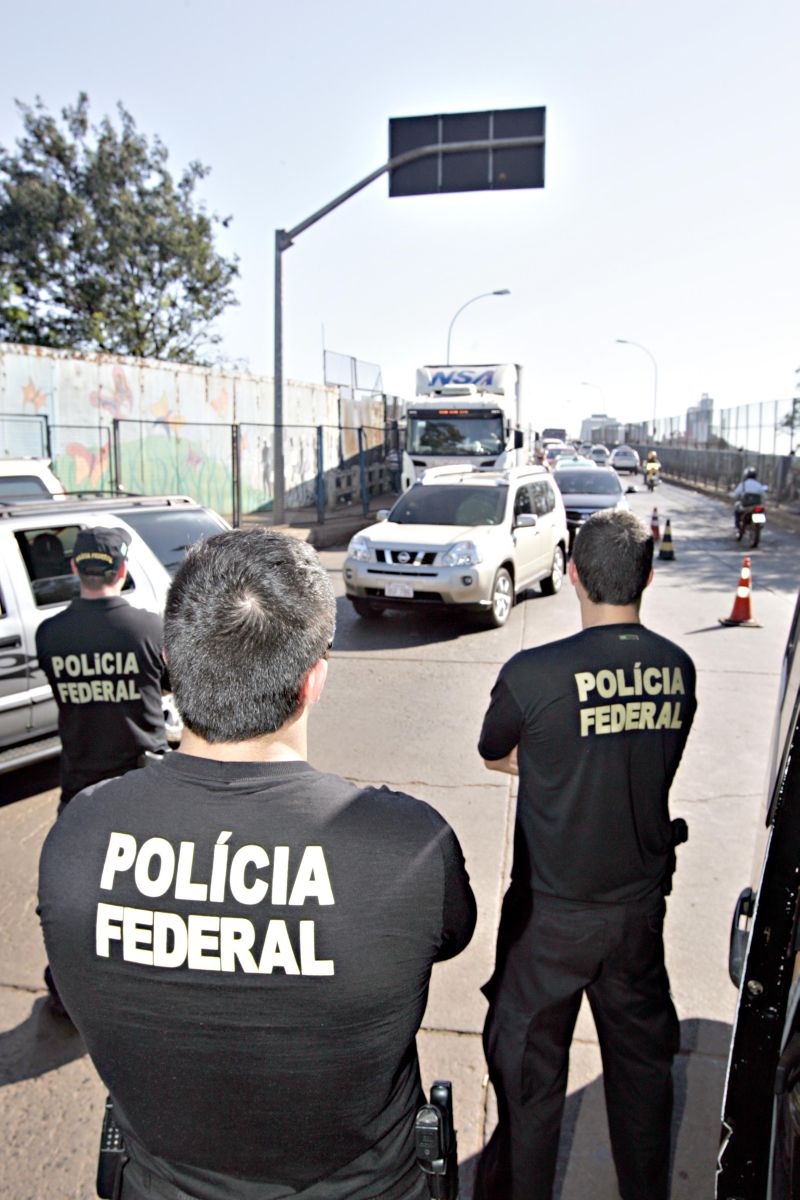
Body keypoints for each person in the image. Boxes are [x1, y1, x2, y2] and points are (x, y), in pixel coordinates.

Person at [38, 528, 476, 1200]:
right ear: (314, 680)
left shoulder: (78, 838)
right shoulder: (407, 846)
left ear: (171, 663)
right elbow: (447, 936)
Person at [474, 509, 697, 1200]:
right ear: (649, 578)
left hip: (550, 921)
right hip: (637, 914)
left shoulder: (532, 674)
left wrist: (554, 761)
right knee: (643, 1071)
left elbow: (494, 752)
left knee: (529, 1079)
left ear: (571, 572)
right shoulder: (677, 668)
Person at [35, 526, 169, 814]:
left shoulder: (48, 634)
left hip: (81, 789)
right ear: (122, 571)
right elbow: (169, 685)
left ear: (74, 568)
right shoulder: (149, 629)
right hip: (142, 784)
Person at [732, 466, 769, 530]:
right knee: (762, 510)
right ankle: (760, 524)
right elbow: (764, 496)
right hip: (756, 506)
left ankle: (737, 525)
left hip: (745, 506)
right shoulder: (758, 485)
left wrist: (733, 495)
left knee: (737, 507)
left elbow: (736, 494)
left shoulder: (743, 484)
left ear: (746, 475)